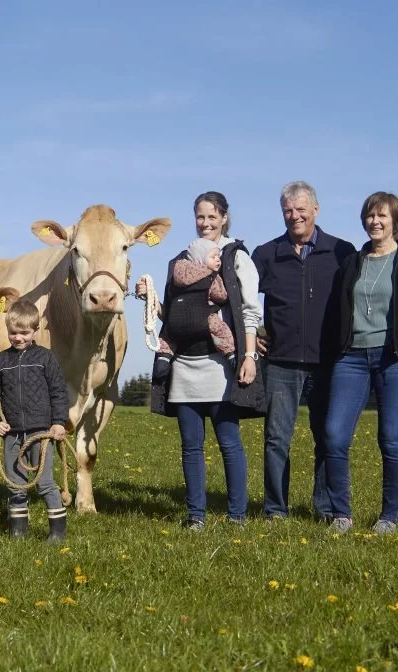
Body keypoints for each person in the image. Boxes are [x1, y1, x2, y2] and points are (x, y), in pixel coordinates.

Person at [136, 191, 261, 529]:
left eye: (212, 216)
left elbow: (249, 312)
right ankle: (196, 517)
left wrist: (248, 355)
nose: (206, 223)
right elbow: (174, 316)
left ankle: (237, 516)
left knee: (229, 442)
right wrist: (152, 301)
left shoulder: (236, 257)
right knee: (191, 446)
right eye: (200, 217)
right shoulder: (181, 260)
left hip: (222, 364)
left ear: (224, 217)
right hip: (185, 367)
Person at [323, 192, 398, 535]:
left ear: (395, 221)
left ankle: (389, 517)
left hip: (393, 361)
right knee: (334, 436)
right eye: (370, 215)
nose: (375, 221)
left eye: (382, 216)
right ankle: (342, 514)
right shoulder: (353, 263)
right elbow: (336, 312)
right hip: (351, 359)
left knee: (392, 439)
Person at [251, 181, 357, 521]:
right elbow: (242, 299)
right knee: (276, 439)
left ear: (315, 210)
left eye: (300, 209)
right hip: (281, 362)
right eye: (287, 211)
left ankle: (324, 508)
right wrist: (250, 334)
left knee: (327, 439)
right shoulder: (266, 254)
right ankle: (275, 509)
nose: (294, 216)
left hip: (328, 362)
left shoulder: (342, 252)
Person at [0, 299, 70, 542]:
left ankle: (57, 534)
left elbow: (58, 392)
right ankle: (18, 531)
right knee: (15, 484)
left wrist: (58, 422)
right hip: (12, 434)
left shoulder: (46, 358)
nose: (18, 338)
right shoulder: (1, 361)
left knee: (44, 484)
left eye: (24, 333)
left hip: (41, 433)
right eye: (13, 333)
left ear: (35, 331)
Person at [165, 238, 236, 357]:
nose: (218, 260)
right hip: (202, 318)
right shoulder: (210, 276)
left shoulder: (177, 275)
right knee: (220, 329)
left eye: (218, 257)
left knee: (168, 335)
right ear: (200, 258)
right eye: (213, 257)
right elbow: (221, 296)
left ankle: (164, 355)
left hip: (177, 318)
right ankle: (229, 353)